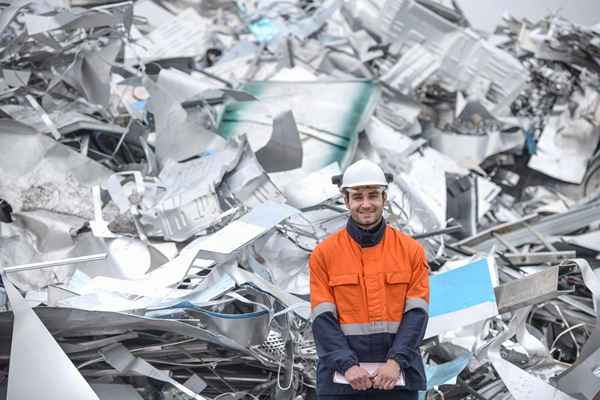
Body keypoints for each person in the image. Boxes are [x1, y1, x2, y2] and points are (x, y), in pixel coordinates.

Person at [309, 159, 430, 400]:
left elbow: (417, 315)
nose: (366, 204)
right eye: (358, 196)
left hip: (396, 378)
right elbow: (323, 319)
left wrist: (395, 363)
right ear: (346, 201)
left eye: (373, 195)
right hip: (343, 381)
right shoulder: (324, 255)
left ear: (384, 199)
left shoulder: (411, 251)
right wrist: (348, 366)